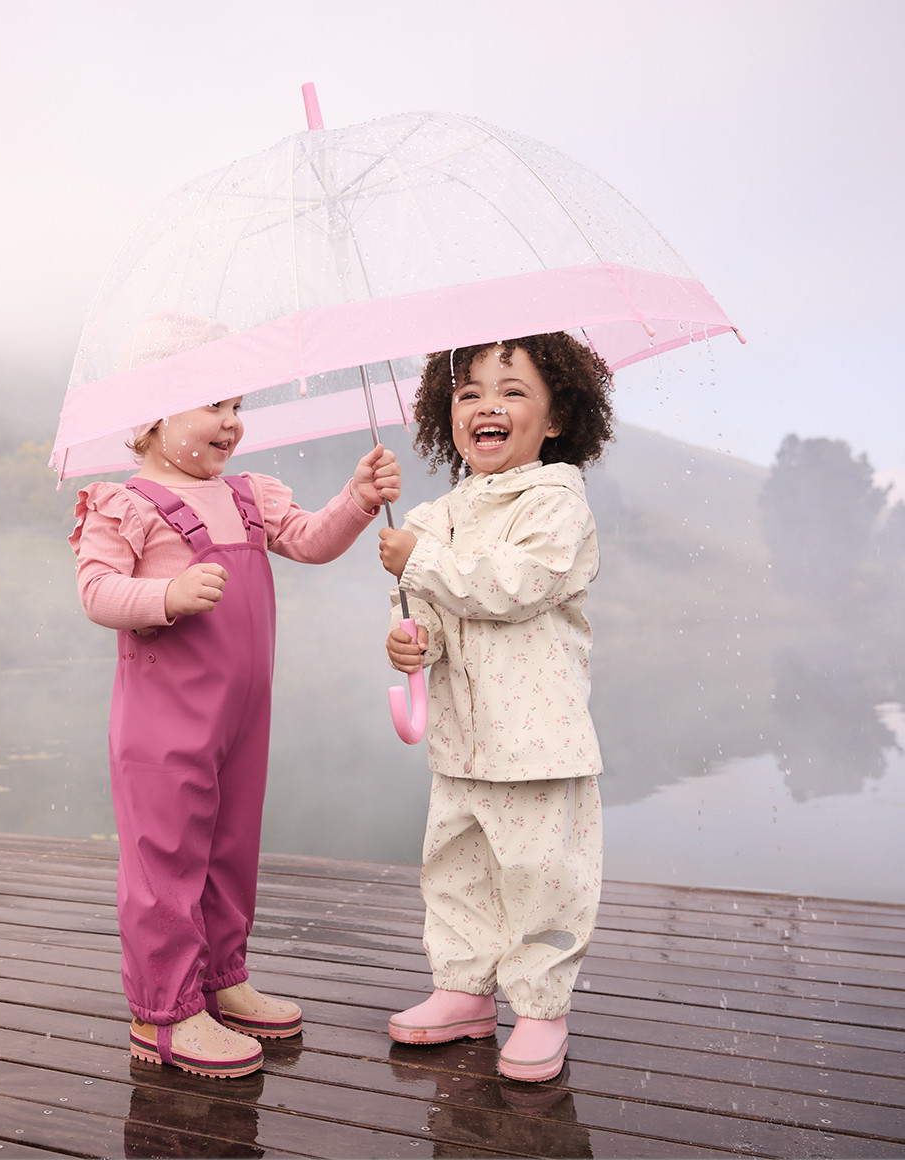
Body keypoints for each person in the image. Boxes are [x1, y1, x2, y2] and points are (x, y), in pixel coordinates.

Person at [70, 394, 400, 1080]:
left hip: (242, 717)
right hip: (163, 722)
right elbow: (97, 590)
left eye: (236, 406)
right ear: (150, 419)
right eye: (210, 407)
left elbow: (311, 541)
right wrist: (166, 596)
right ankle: (162, 1012)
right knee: (167, 857)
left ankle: (222, 977)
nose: (231, 423)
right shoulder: (126, 503)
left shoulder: (250, 494)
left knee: (229, 846)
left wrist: (358, 498)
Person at [377, 332, 614, 1083]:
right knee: (457, 871)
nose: (487, 405)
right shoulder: (435, 514)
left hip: (538, 740)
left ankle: (542, 1009)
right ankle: (463, 990)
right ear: (443, 414)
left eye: (513, 391)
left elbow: (512, 587)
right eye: (469, 391)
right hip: (462, 741)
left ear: (555, 419)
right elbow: (436, 614)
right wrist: (412, 643)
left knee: (542, 874)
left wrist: (422, 557)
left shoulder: (556, 504)